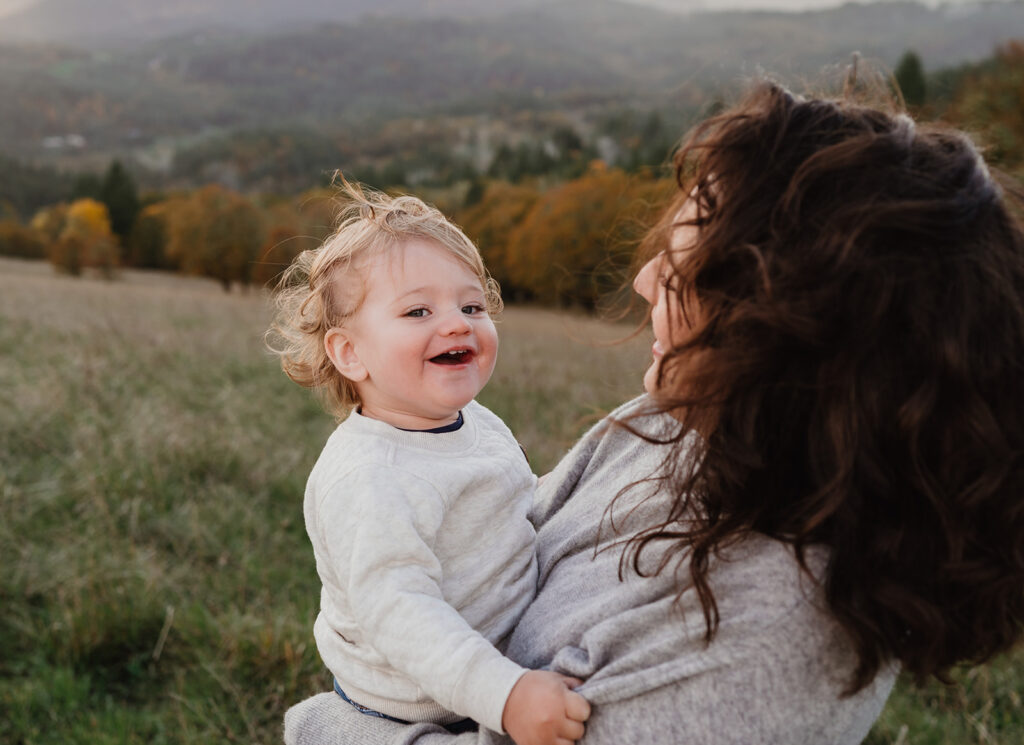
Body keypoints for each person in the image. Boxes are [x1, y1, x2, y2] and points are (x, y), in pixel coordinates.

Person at [282, 81, 1024, 745]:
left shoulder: (763, 646)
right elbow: (503, 542)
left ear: (792, 329)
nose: (643, 279)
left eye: (685, 268)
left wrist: (328, 726)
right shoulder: (684, 424)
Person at [268, 183, 590, 745]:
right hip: (413, 703)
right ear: (350, 353)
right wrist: (504, 695)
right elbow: (401, 613)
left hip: (492, 655)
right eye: (419, 310)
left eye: (471, 306)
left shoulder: (478, 422)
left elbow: (517, 505)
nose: (458, 323)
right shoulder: (369, 474)